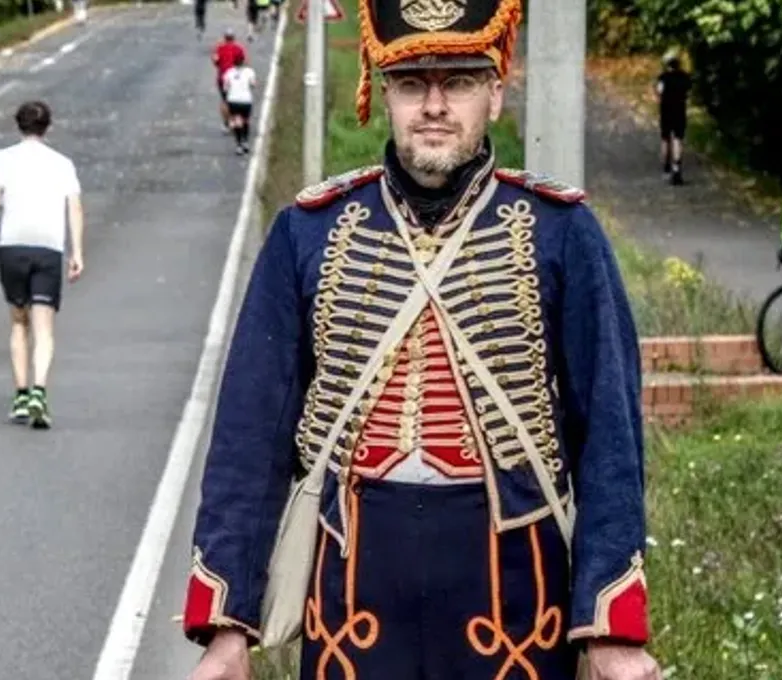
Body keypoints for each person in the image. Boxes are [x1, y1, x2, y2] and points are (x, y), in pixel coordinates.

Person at [179, 1, 662, 679]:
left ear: (495, 93)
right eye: (411, 84)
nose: (434, 106)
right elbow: (249, 439)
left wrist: (611, 629)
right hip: (352, 586)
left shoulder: (561, 231)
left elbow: (609, 435)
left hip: (517, 589)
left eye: (458, 82)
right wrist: (227, 626)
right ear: (383, 93)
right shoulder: (308, 231)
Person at [0, 101, 85, 430]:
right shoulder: (62, 164)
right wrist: (77, 252)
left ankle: (21, 395)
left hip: (13, 245)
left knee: (18, 322)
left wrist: (9, 199)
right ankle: (40, 391)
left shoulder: (2, 158)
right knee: (44, 327)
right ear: (47, 127)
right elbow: (74, 207)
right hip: (49, 246)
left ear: (18, 125)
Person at [654, 51, 691, 185]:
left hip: (666, 111)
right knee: (677, 139)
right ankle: (677, 167)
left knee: (665, 139)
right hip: (680, 111)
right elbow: (688, 91)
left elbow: (659, 92)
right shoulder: (685, 77)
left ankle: (666, 168)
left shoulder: (663, 78)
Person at [223, 54, 261, 154]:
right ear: (243, 62)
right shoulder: (250, 72)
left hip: (233, 100)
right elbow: (253, 84)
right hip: (246, 100)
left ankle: (239, 145)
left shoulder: (229, 73)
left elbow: (225, 88)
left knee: (237, 121)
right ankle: (245, 141)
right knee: (245, 121)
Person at [212, 31, 249, 128]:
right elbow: (245, 62)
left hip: (223, 78)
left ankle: (226, 123)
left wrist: (221, 65)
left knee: (224, 100)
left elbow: (215, 61)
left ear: (225, 38)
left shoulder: (219, 48)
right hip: (236, 78)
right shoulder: (239, 48)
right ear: (233, 38)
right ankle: (236, 120)